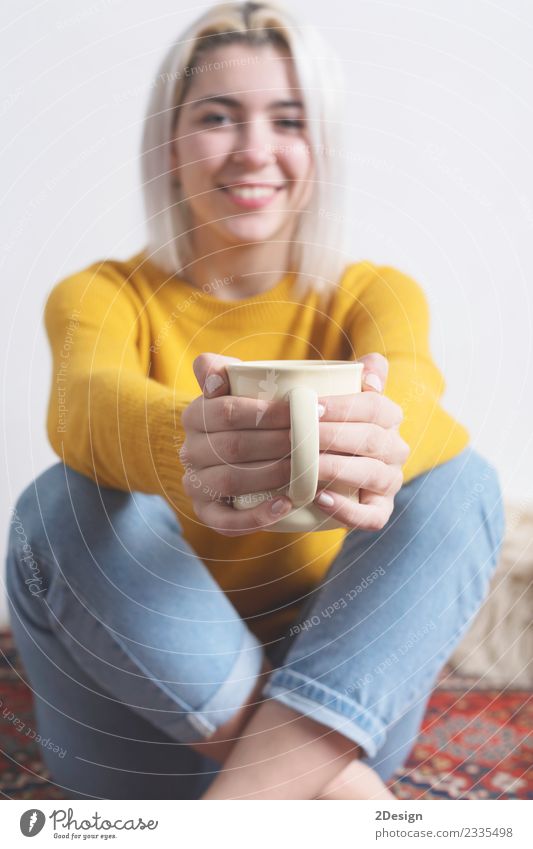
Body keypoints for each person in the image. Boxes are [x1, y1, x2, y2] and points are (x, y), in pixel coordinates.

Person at [5, 1, 505, 800]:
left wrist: (384, 435)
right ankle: (342, 807)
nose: (254, 151)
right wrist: (188, 441)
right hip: (135, 733)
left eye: (288, 119)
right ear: (170, 143)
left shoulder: (375, 294)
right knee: (56, 504)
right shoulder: (101, 295)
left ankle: (238, 811)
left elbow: (414, 388)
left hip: (330, 704)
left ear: (321, 146)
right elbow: (86, 403)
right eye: (217, 116)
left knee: (462, 483)